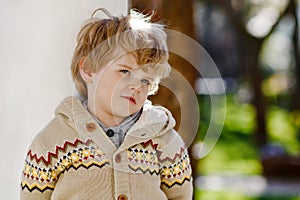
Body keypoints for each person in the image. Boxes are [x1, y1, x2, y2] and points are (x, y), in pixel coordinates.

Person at [20, 8, 193, 200]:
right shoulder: (51, 142)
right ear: (88, 69)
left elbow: (181, 196)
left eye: (146, 80)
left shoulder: (166, 141)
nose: (136, 85)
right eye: (125, 71)